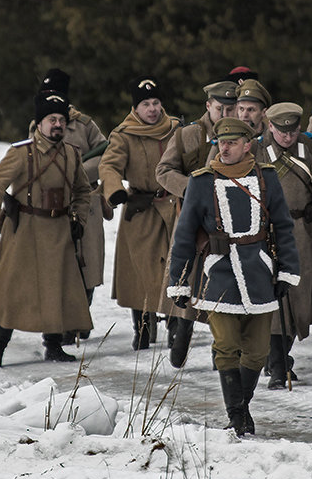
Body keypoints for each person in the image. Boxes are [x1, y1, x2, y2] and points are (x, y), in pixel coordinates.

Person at [167, 117, 300, 436]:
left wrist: (286, 270)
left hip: (259, 273)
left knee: (257, 351)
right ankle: (237, 413)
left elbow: (283, 226)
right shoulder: (201, 181)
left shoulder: (266, 177)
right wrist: (179, 281)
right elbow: (184, 234)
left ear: (247, 144)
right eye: (220, 142)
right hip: (219, 274)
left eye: (230, 142)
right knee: (226, 345)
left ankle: (243, 404)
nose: (223, 148)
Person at [0, 89, 92, 366]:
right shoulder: (21, 154)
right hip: (24, 231)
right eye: (51, 119)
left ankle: (53, 346)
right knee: (12, 292)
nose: (57, 125)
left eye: (61, 120)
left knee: (57, 288)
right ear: (39, 123)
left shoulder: (72, 155)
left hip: (59, 229)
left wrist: (79, 219)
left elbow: (83, 192)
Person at [155, 76, 238, 364]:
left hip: (228, 223)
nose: (225, 115)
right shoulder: (187, 135)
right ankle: (180, 336)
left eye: (231, 109)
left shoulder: (243, 137)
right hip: (193, 220)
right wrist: (192, 189)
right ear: (208, 106)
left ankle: (223, 351)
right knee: (187, 282)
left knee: (225, 284)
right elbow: (164, 171)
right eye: (220, 109)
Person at [260, 101, 312, 389]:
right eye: (281, 131)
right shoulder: (257, 150)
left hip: (302, 231)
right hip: (266, 233)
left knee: (299, 296)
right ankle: (277, 363)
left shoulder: (311, 149)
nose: (287, 137)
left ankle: (279, 357)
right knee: (273, 299)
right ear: (270, 126)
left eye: (293, 131)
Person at [99, 76, 181, 350]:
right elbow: (109, 166)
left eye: (156, 102)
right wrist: (115, 191)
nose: (153, 108)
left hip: (174, 207)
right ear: (136, 107)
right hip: (141, 208)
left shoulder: (176, 129)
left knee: (176, 268)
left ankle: (175, 324)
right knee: (141, 273)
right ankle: (143, 327)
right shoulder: (124, 134)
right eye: (146, 103)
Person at [36, 68, 107, 342]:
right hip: (51, 205)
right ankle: (62, 327)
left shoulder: (84, 125)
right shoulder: (38, 124)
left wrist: (76, 173)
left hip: (85, 200)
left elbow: (105, 156)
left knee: (86, 267)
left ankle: (80, 316)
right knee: (57, 269)